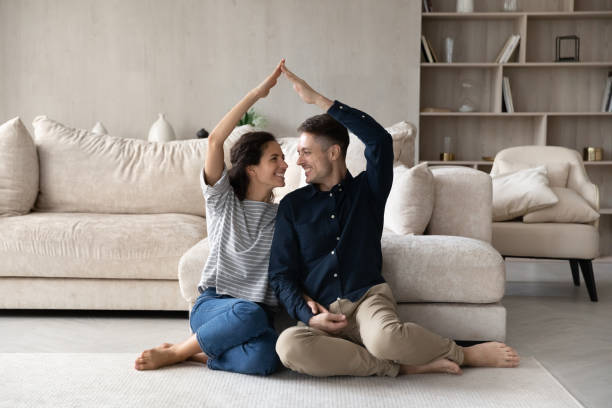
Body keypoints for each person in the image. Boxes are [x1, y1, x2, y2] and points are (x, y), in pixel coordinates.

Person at [269, 62, 521, 377]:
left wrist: (320, 101)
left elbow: (379, 142)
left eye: (306, 152)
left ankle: (463, 353)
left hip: (367, 301)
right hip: (321, 312)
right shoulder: (293, 205)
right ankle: (398, 367)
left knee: (387, 337)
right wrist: (307, 316)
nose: (298, 160)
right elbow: (280, 275)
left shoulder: (368, 191)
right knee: (288, 347)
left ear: (333, 153)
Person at [135, 59, 288, 375]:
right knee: (251, 314)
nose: (284, 164)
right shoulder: (223, 203)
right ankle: (179, 350)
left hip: (255, 315)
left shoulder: (282, 216)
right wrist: (258, 93)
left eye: (283, 158)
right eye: (275, 158)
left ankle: (197, 353)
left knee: (267, 360)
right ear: (251, 168)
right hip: (214, 307)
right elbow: (215, 140)